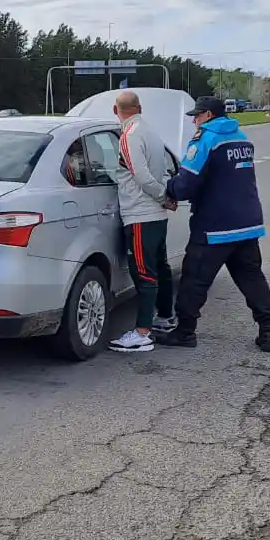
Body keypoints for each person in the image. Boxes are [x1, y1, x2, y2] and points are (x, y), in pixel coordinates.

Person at [155, 95, 270, 351]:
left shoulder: (205, 140)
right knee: (251, 277)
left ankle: (185, 332)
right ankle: (267, 332)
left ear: (208, 115)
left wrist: (168, 188)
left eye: (196, 116)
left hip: (215, 226)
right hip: (247, 223)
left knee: (194, 280)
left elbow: (187, 183)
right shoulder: (241, 138)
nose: (194, 122)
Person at [107, 91, 178, 353]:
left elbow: (141, 176)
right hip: (155, 216)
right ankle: (165, 318)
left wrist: (162, 197)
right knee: (160, 267)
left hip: (140, 213)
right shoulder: (151, 132)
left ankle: (142, 333)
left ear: (116, 112)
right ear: (140, 108)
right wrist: (165, 198)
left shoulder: (129, 135)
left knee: (143, 272)